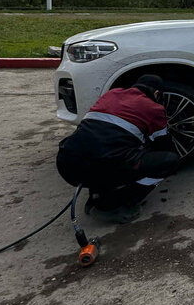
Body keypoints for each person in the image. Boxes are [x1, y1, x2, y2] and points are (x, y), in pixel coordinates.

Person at [57, 74, 180, 220]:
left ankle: (97, 194)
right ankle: (114, 204)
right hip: (101, 165)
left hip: (66, 164)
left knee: (106, 148)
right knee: (169, 161)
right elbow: (163, 145)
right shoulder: (154, 108)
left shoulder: (111, 94)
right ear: (157, 94)